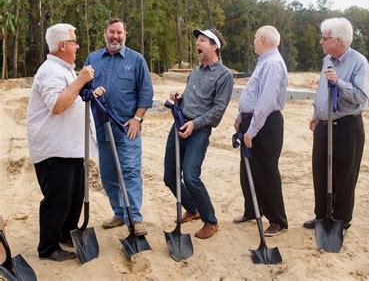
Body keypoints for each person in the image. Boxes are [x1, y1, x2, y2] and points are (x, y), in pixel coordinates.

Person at [26, 23, 97, 261]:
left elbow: (71, 99)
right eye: (74, 41)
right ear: (62, 45)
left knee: (75, 196)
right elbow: (56, 105)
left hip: (71, 148)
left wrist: (88, 90)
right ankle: (48, 247)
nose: (77, 45)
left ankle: (66, 233)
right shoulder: (50, 71)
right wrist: (80, 81)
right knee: (58, 199)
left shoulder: (64, 70)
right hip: (54, 149)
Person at [85, 18, 154, 236]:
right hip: (102, 128)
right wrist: (90, 93)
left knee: (130, 171)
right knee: (108, 175)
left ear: (125, 35)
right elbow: (83, 89)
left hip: (128, 128)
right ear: (105, 32)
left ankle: (135, 217)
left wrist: (137, 119)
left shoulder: (136, 60)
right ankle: (119, 213)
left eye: (119, 33)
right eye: (112, 32)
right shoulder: (93, 59)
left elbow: (146, 92)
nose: (115, 36)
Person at [163, 28, 234, 239]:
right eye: (197, 41)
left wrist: (194, 125)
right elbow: (191, 100)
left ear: (214, 46)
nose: (197, 44)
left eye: (202, 40)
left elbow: (217, 111)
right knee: (169, 176)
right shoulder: (195, 72)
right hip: (178, 126)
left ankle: (210, 220)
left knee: (191, 176)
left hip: (199, 132)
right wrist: (178, 98)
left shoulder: (224, 75)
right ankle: (192, 209)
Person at [303, 17, 369, 232]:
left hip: (347, 126)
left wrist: (338, 82)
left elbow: (360, 96)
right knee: (320, 171)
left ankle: (340, 221)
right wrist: (316, 113)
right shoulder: (327, 60)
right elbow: (322, 90)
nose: (321, 42)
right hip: (324, 125)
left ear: (339, 41)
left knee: (344, 176)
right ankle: (322, 217)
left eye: (325, 38)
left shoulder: (359, 62)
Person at [233, 25, 289, 237]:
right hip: (253, 121)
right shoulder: (263, 62)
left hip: (266, 125)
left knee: (266, 171)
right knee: (247, 169)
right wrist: (241, 118)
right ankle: (252, 210)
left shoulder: (273, 64)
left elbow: (266, 101)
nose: (254, 41)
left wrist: (252, 130)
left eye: (256, 37)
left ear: (263, 39)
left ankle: (277, 220)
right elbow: (253, 94)